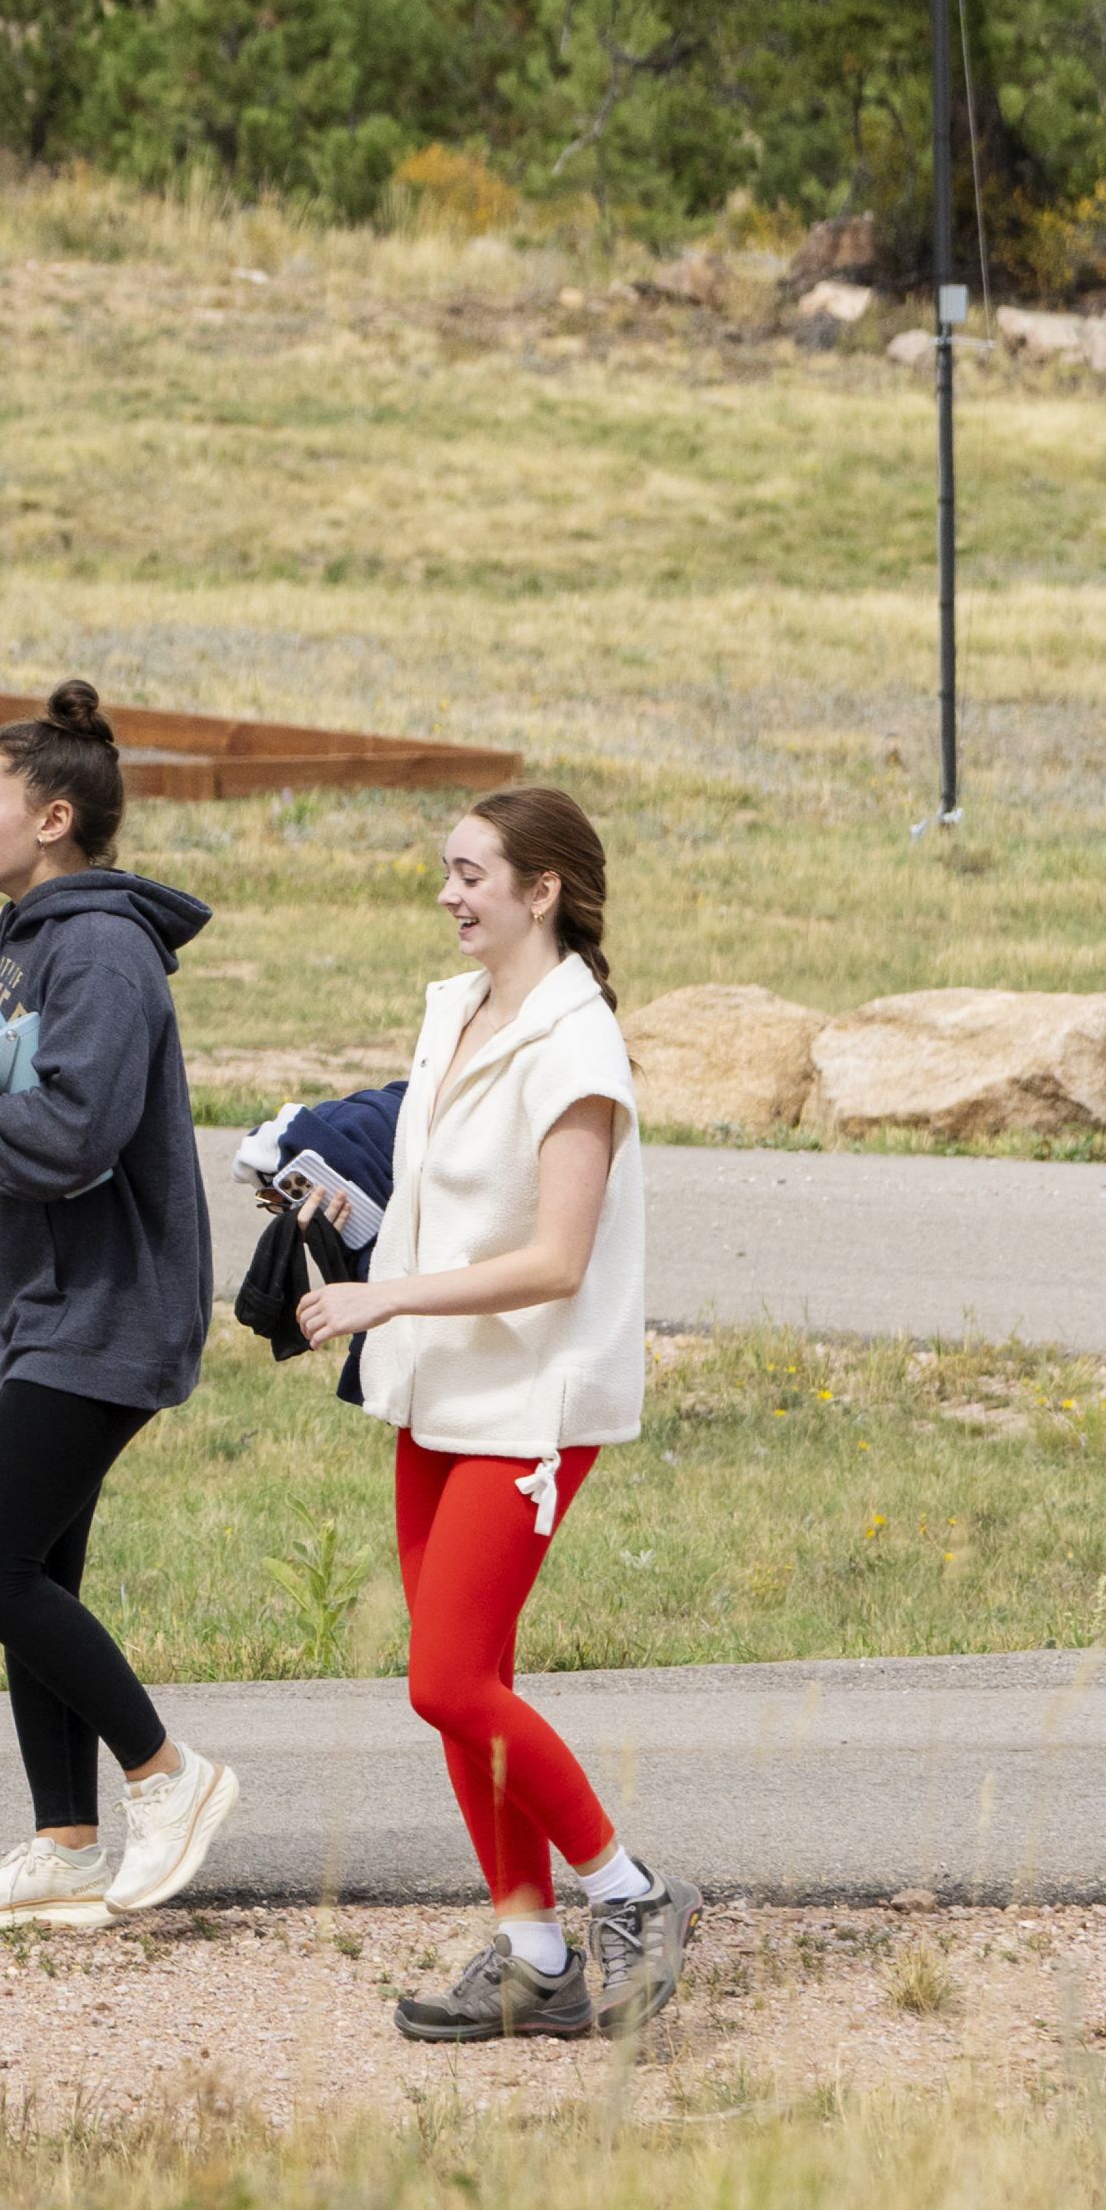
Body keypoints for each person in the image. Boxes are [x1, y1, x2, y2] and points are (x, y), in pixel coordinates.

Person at [291, 786, 693, 2039]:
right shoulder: (458, 1012)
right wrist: (342, 1225)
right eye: (446, 870)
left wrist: (381, 1298)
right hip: (440, 1384)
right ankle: (533, 1955)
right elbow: (444, 1203)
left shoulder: (577, 1048)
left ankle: (633, 1892)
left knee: (448, 1681)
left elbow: (555, 1260)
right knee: (473, 1681)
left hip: (529, 1400)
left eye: (472, 874)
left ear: (542, 893)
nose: (449, 894)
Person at [0, 679, 240, 1935]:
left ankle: (168, 1779)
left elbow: (71, 1135)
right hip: (20, 1312)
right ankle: (66, 1845)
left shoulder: (101, 950)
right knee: (39, 1568)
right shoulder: (10, 948)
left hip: (105, 1307)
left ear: (54, 814)